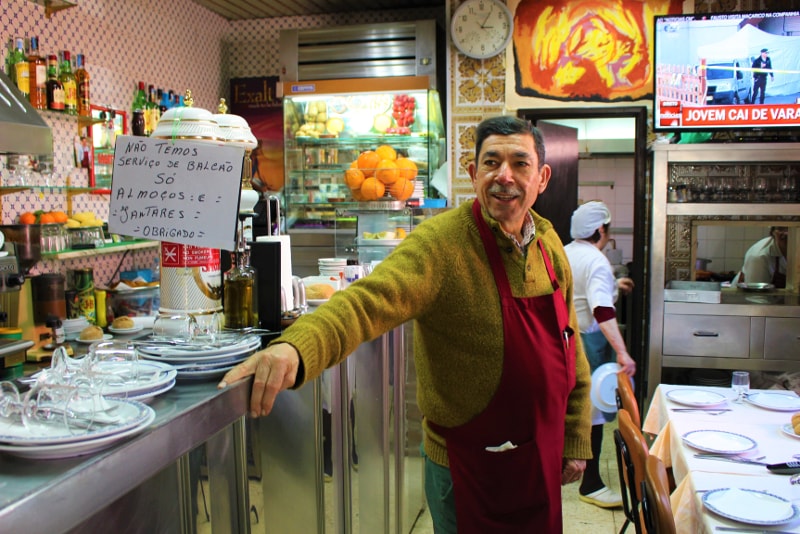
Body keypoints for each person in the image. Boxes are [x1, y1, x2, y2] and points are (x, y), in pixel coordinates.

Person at [219, 115, 592, 533]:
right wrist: (294, 346)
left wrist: (575, 435)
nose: (504, 176)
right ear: (473, 173)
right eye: (491, 163)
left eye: (519, 164)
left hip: (538, 458)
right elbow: (366, 302)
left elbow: (569, 345)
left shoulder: (549, 245)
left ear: (541, 177)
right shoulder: (442, 245)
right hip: (466, 469)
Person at [564, 201, 636, 509]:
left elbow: (581, 292)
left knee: (573, 409)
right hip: (588, 343)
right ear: (600, 230)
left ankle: (570, 471)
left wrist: (614, 285)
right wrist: (623, 352)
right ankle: (590, 484)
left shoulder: (567, 252)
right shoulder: (596, 262)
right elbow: (601, 310)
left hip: (566, 338)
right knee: (592, 415)